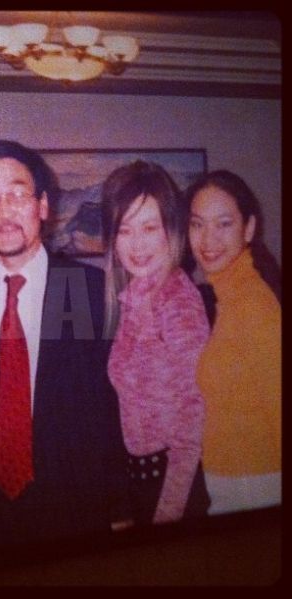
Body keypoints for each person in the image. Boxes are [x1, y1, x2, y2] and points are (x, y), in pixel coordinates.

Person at [0, 139, 131, 557]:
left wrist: (119, 505)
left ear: (43, 206)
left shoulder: (89, 291)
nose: (4, 211)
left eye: (17, 194)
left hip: (69, 496)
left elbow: (110, 407)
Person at [101, 160, 211, 526]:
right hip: (141, 484)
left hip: (175, 489)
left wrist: (167, 512)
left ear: (171, 230)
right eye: (125, 230)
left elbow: (194, 420)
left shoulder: (177, 300)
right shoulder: (133, 297)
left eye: (149, 227)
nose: (136, 244)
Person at [186, 170, 281, 515]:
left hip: (255, 485)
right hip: (235, 482)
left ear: (249, 228)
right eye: (198, 224)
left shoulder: (254, 305)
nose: (208, 239)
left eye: (223, 224)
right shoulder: (229, 296)